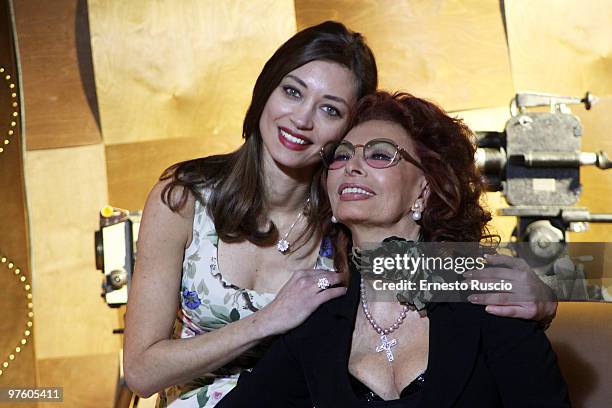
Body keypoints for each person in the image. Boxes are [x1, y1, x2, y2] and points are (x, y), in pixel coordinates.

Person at [124, 21, 557, 407]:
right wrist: (270, 320)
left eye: (330, 109)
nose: (302, 119)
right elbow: (140, 373)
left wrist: (551, 291)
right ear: (265, 91)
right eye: (292, 91)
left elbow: (461, 271)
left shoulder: (350, 214)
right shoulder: (185, 198)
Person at [217, 91, 570, 407]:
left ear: (425, 189)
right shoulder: (318, 321)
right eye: (340, 157)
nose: (351, 166)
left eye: (380, 155)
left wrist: (553, 294)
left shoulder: (486, 293)